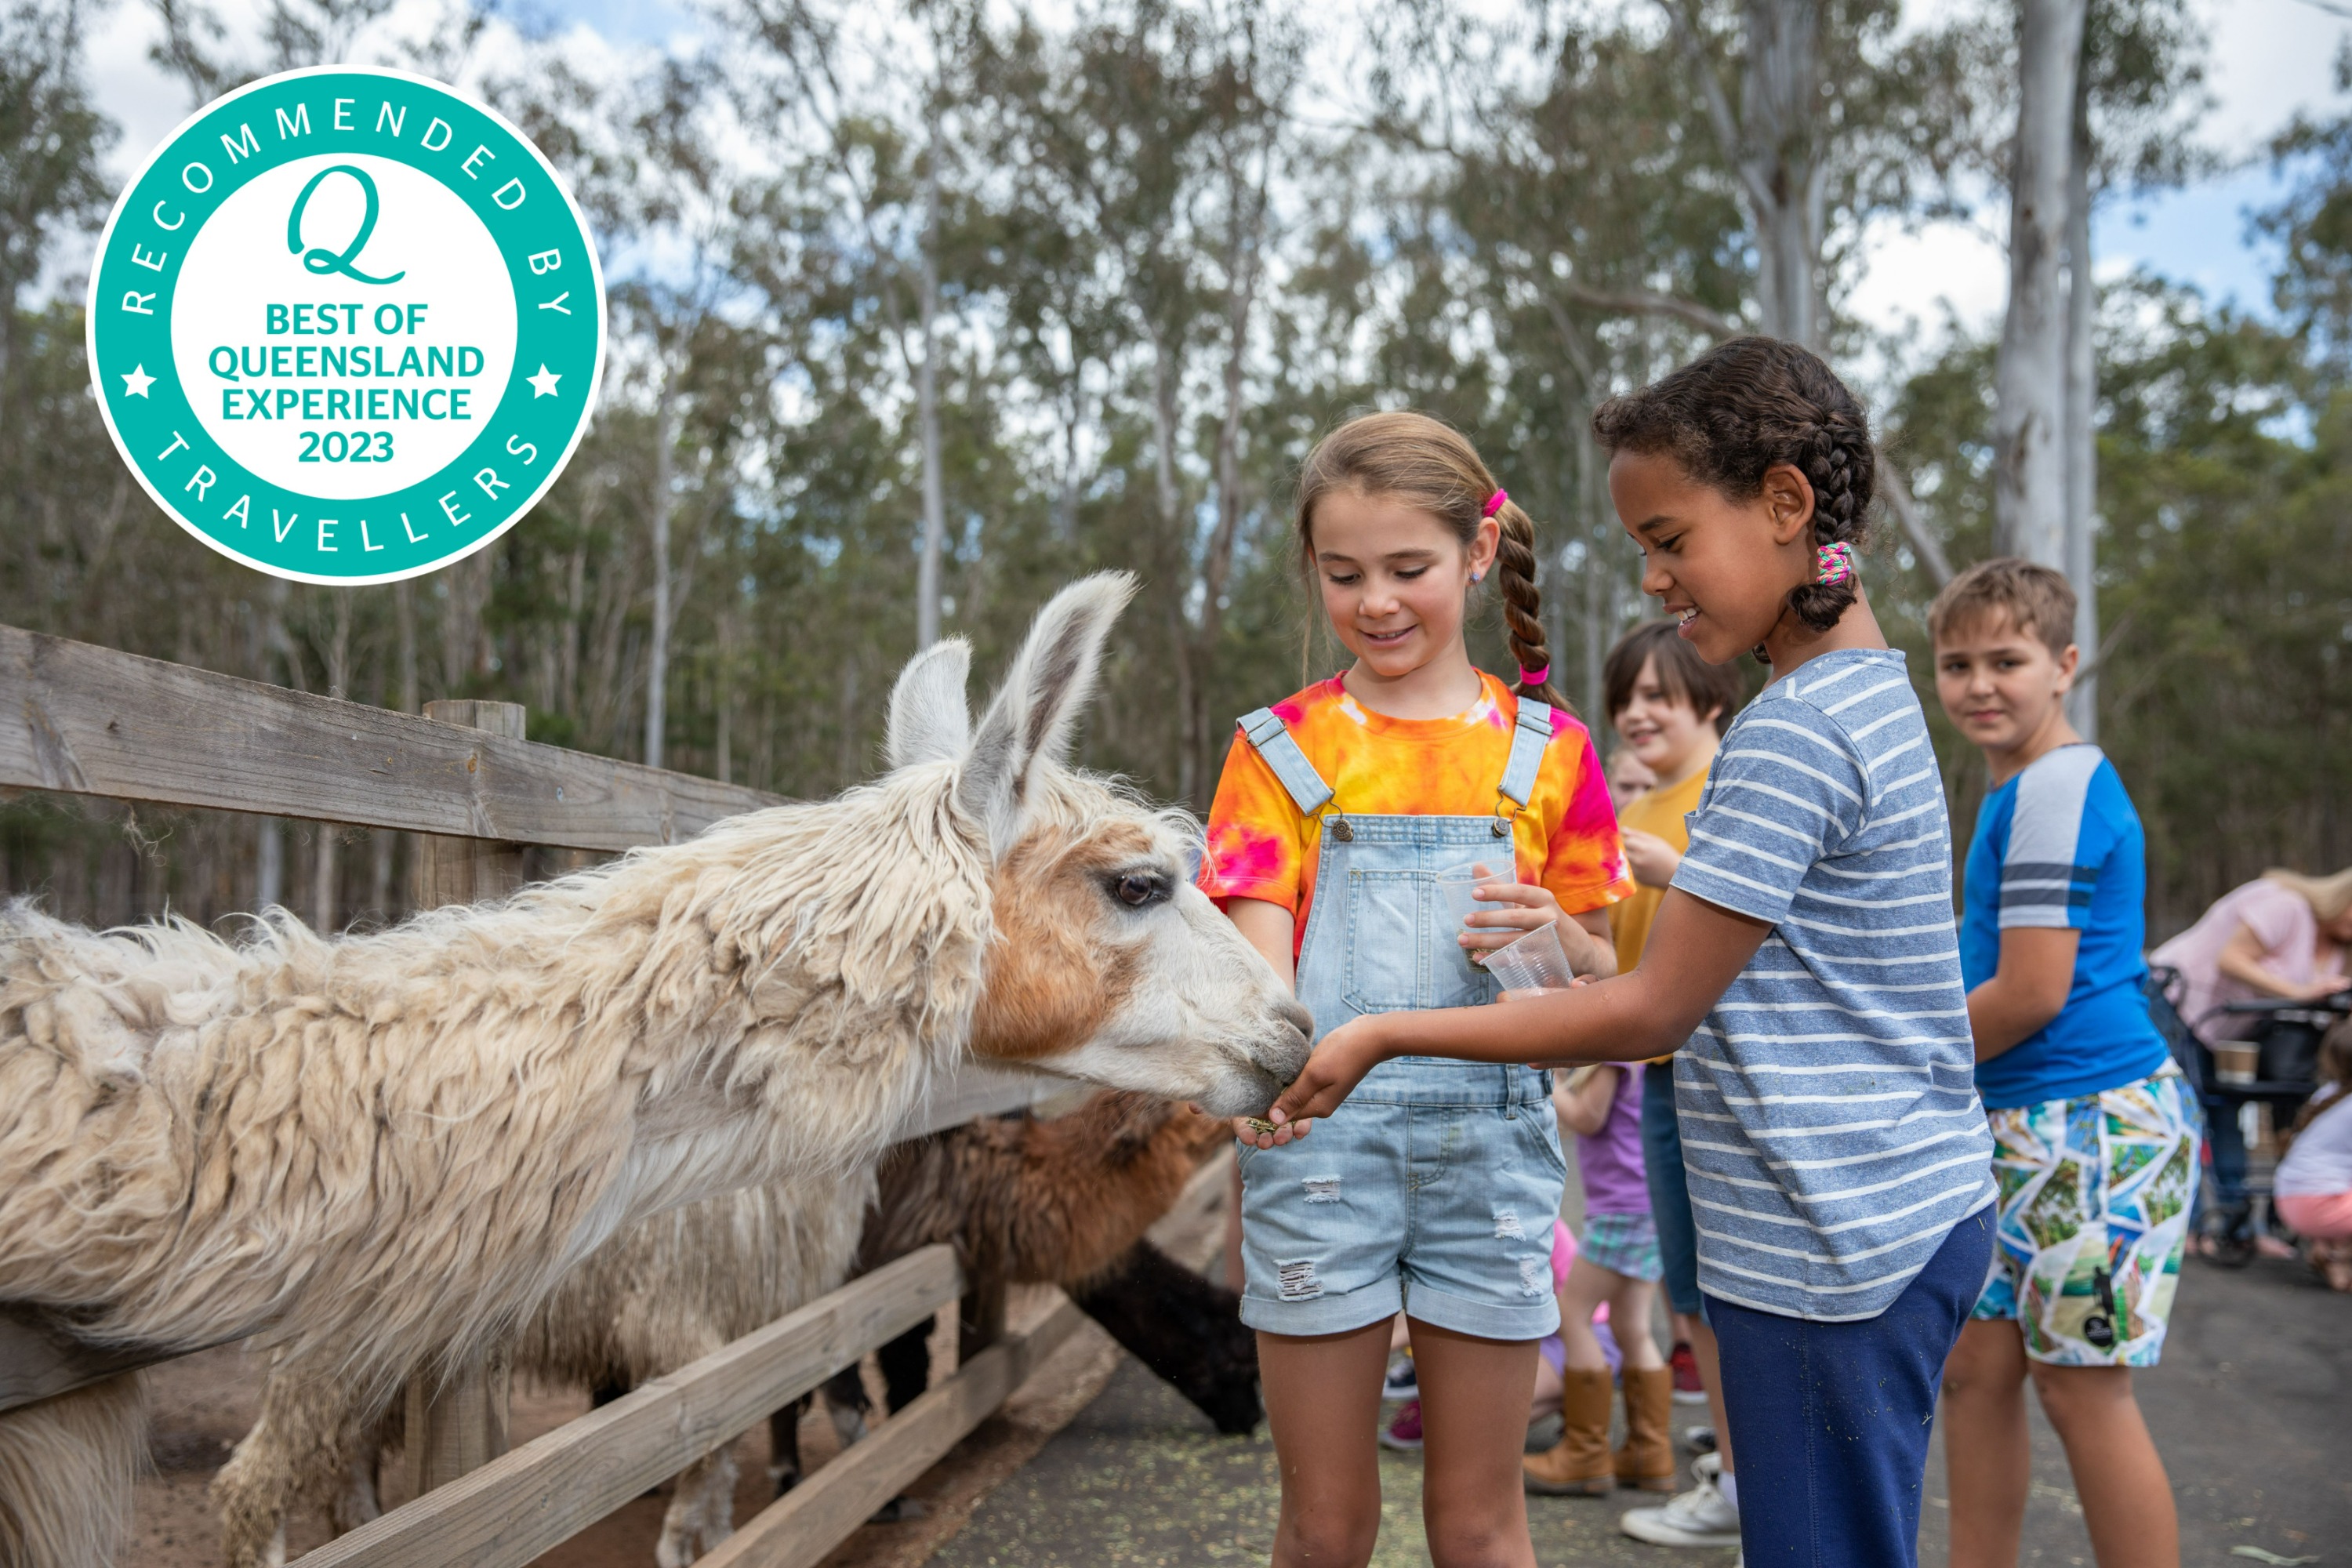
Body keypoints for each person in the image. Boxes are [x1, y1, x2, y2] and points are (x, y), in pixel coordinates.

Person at [1264, 337, 1997, 1568]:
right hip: (1893, 1209)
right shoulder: (1870, 693)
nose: (1655, 580)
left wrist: (1385, 1031)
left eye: (1668, 538)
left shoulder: (1792, 737)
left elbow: (1655, 1011)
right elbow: (1730, 981)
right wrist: (1564, 944)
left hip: (1832, 1242)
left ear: (1783, 503)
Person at [1200, 409, 1631, 1568]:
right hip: (1318, 1150)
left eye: (1408, 569)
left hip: (1492, 1157)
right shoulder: (1277, 751)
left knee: (1481, 1525)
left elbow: (1601, 970)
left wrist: (1561, 936)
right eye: (1344, 575)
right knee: (1327, 1525)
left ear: (1479, 557)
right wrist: (1266, 1088)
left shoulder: (1553, 753)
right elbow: (1257, 969)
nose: (1376, 602)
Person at [1926, 557, 2188, 1568]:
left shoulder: (2058, 784)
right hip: (2009, 1127)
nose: (1980, 683)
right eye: (1958, 663)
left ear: (2064, 664)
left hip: (2091, 1127)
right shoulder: (2015, 790)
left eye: (2007, 659)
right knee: (1975, 1374)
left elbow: (2032, 990)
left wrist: (1898, 1065)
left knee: (2084, 1390)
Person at [1592, 619, 1748, 1552]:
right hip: (1660, 1078)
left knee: (1741, 1293)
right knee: (1691, 1291)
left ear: (1712, 697)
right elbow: (1614, 959)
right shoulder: (1637, 808)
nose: (1637, 712)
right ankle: (1735, 1472)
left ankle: (1755, 1477)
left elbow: (1785, 920)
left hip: (1731, 1075)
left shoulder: (1733, 790)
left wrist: (1680, 871)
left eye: (1659, 692)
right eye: (1626, 696)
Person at [2151, 868, 2352, 1215]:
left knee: (2227, 1112)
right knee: (2183, 1112)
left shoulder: (2337, 950)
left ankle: (2235, 1222)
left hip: (2228, 1032)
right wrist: (2300, 993)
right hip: (2178, 1006)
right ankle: (2189, 1222)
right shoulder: (2287, 905)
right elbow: (2230, 959)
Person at [1523, 1061, 1671, 1495]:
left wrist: (1549, 1083)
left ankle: (1584, 1454)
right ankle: (1650, 1454)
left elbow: (1588, 1117)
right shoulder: (1637, 1052)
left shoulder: (1615, 1053)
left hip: (1622, 1209)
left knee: (1573, 1316)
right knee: (1632, 1327)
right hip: (1645, 1202)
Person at [2277, 1020, 2352, 1292]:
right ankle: (2339, 1255)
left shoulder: (2329, 1093)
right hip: (2317, 1206)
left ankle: (2329, 1250)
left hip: (2291, 1198)